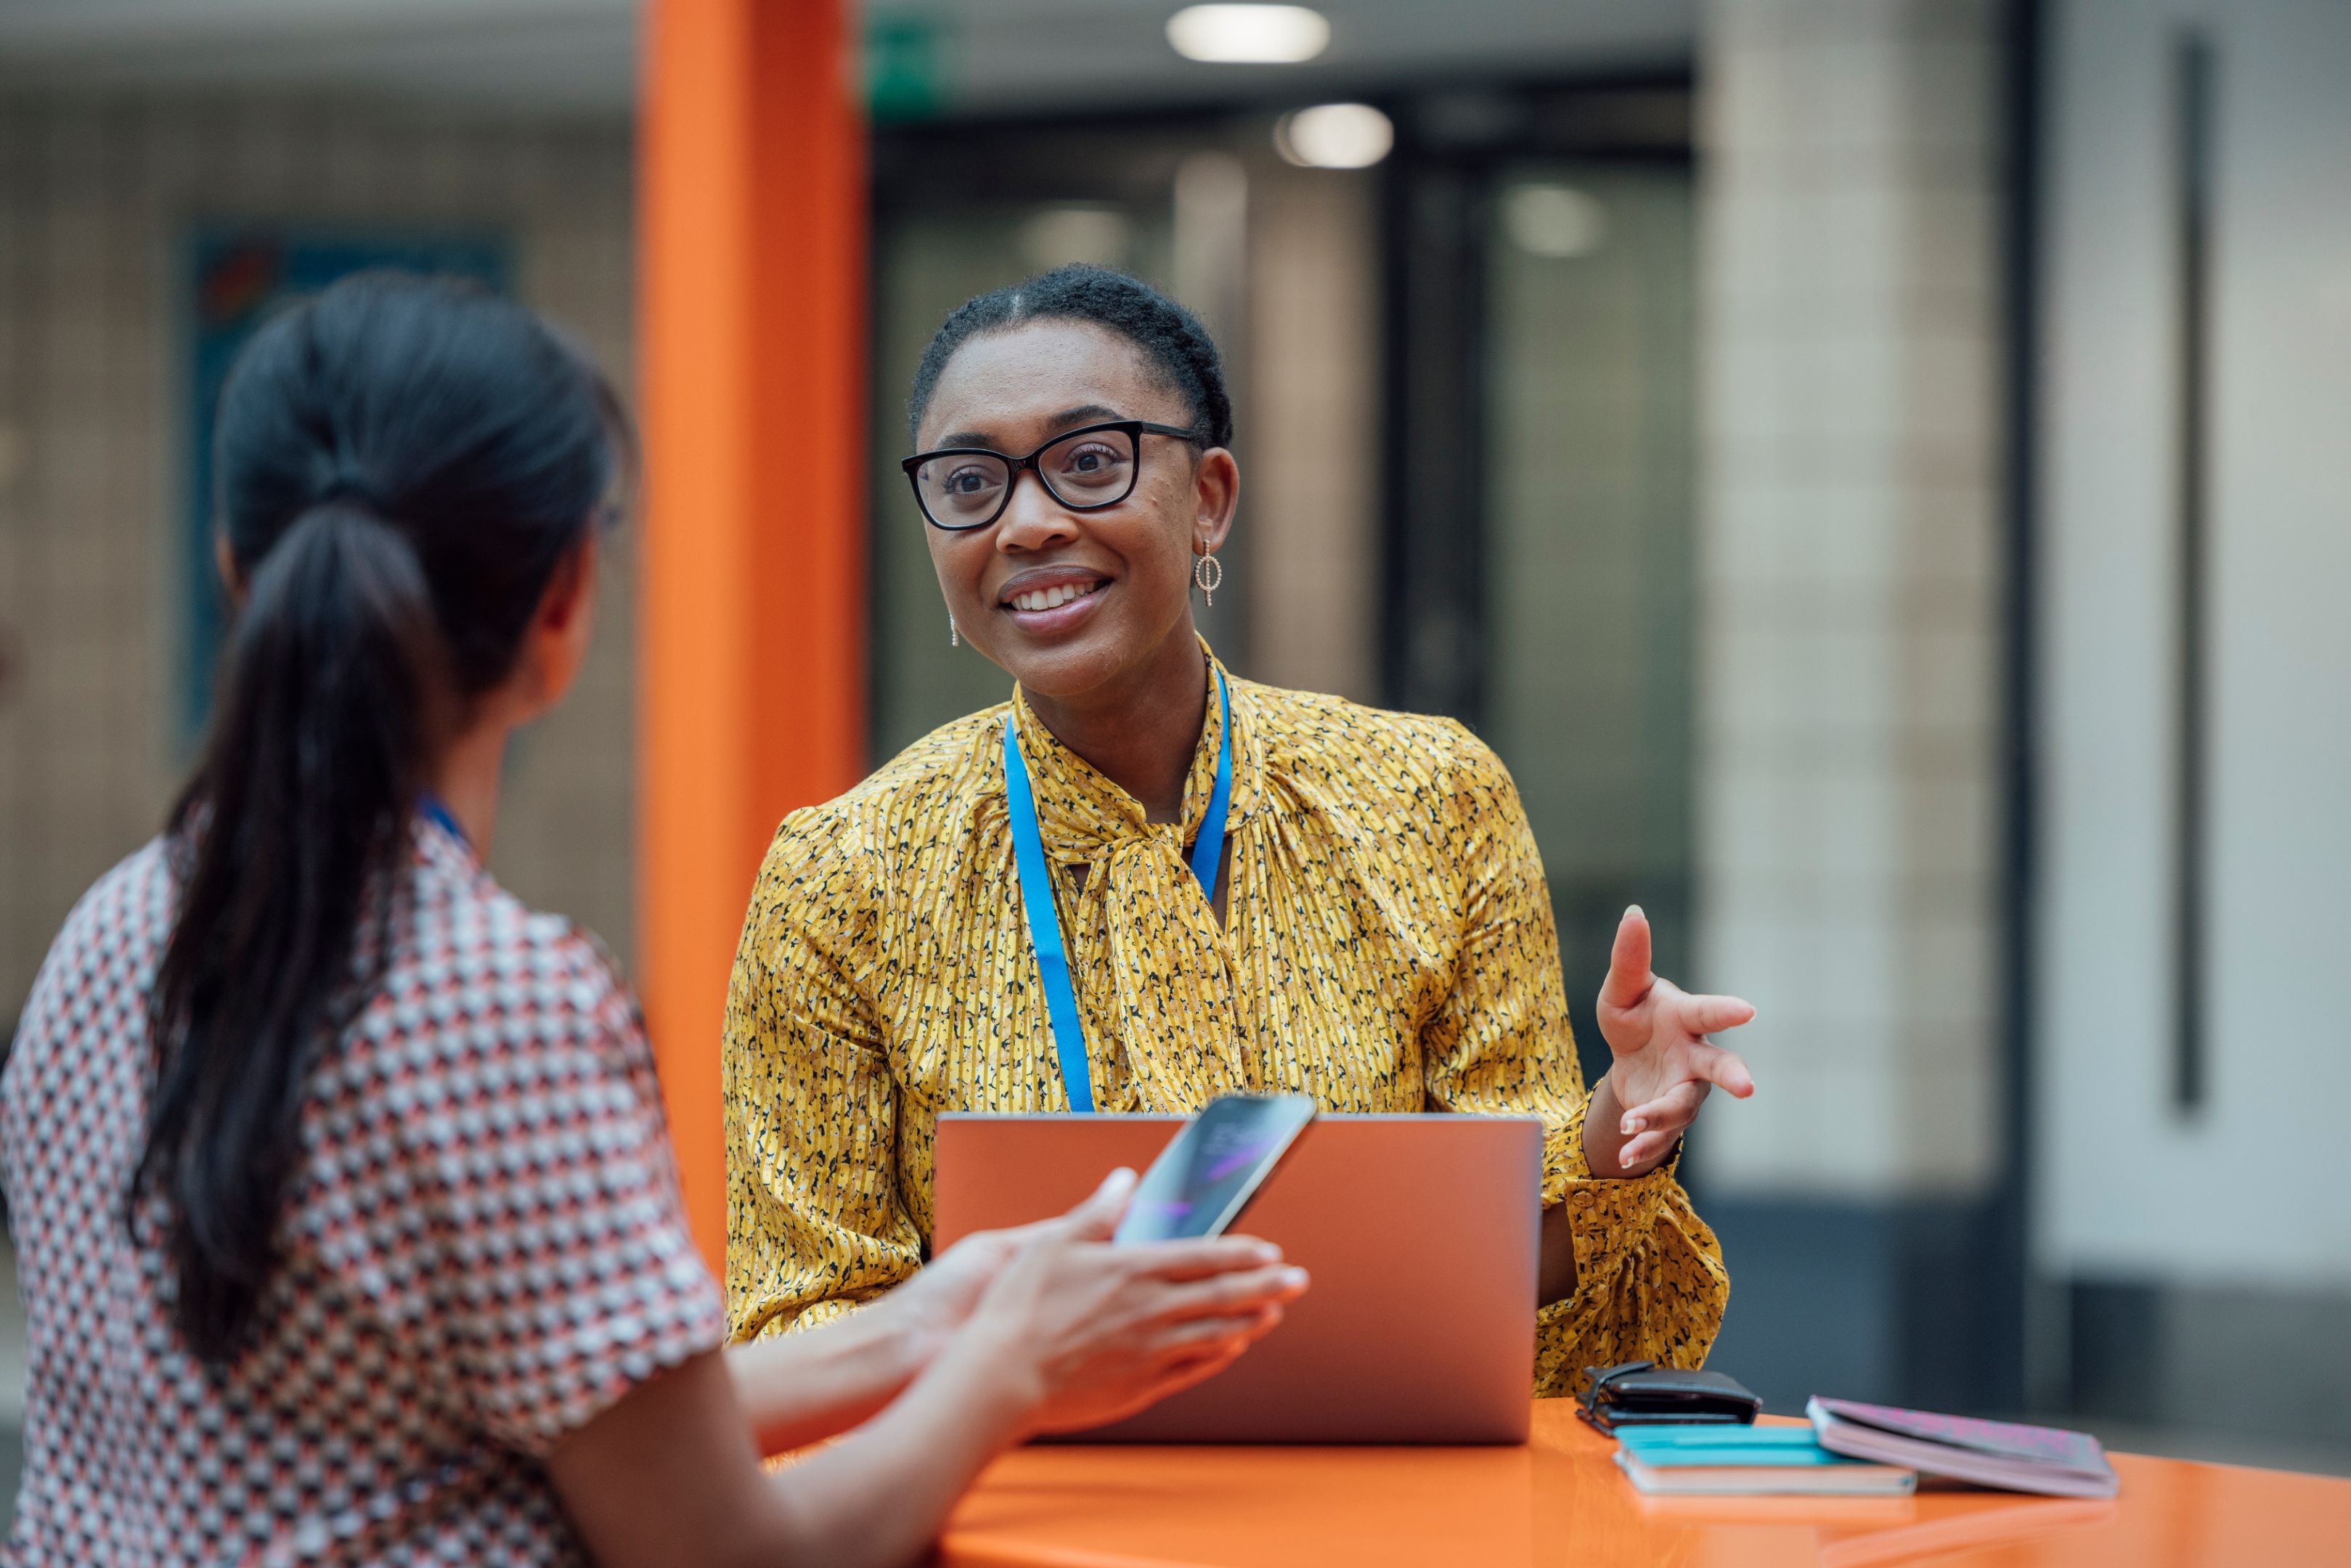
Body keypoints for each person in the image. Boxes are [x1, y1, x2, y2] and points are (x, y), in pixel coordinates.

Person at [0, 272, 1305, 1568]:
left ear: (236, 571)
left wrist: (943, 1321)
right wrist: (1015, 1368)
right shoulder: (499, 999)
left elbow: (573, 1414)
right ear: (565, 604)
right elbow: (728, 1550)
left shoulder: (113, 930)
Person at [724, 264, 1757, 1396]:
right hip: (1021, 1511)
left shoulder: (1427, 797)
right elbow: (799, 1316)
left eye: (1087, 461)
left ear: (1209, 496)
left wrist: (1616, 1130)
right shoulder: (842, 874)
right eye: (970, 482)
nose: (1025, 523)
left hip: (1376, 1515)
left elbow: (1523, 1295)